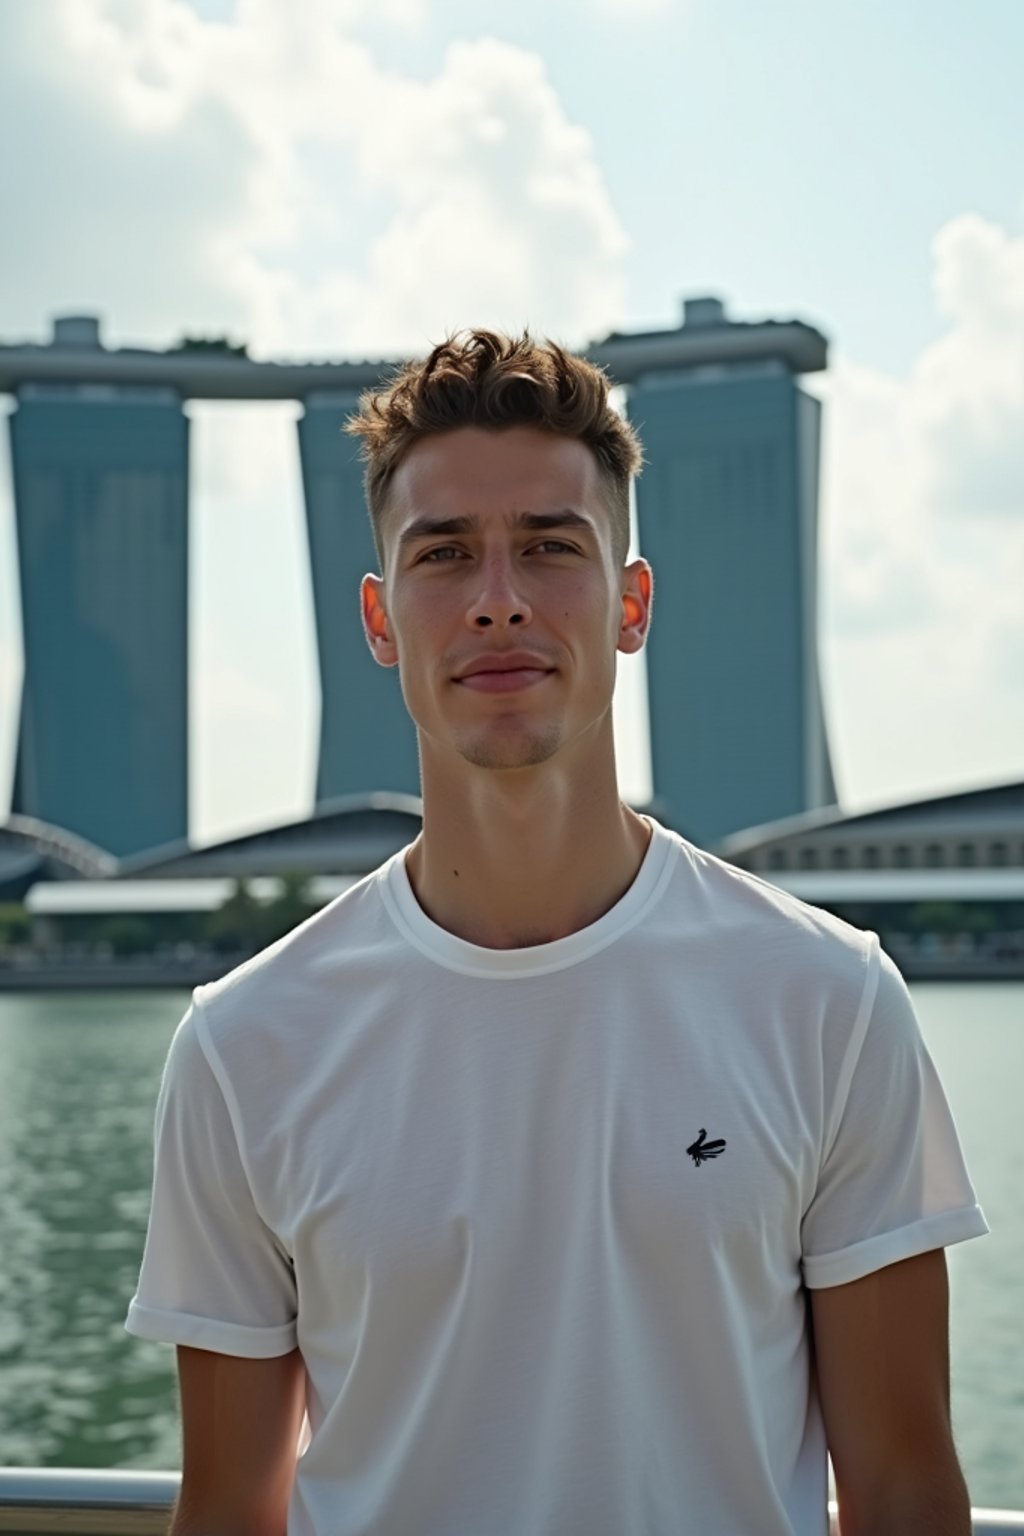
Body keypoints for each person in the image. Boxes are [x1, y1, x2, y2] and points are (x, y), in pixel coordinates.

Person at [125, 330, 988, 1536]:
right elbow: (227, 1508)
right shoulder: (247, 1044)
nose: (499, 598)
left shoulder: (826, 999)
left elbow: (900, 1489)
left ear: (630, 602)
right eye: (444, 556)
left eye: (548, 545)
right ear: (380, 621)